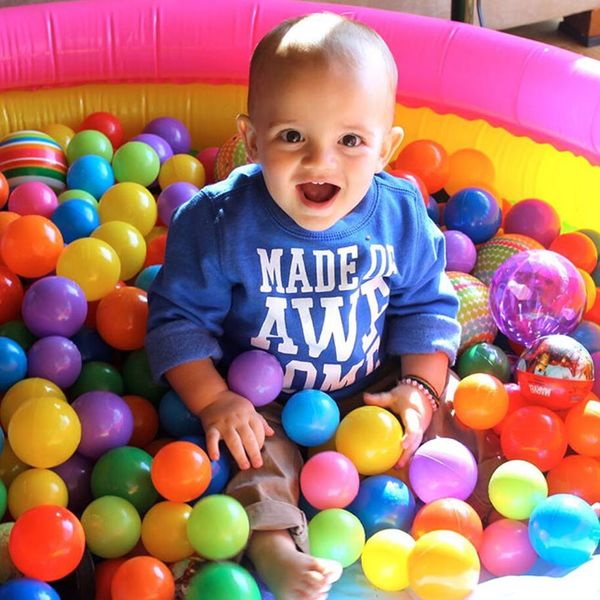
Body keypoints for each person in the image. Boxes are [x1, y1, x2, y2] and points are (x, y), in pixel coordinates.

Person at [147, 12, 463, 600]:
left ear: (386, 148)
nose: (321, 161)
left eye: (351, 141)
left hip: (374, 390)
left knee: (446, 424)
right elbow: (176, 322)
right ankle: (273, 547)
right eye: (292, 136)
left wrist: (418, 389)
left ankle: (448, 530)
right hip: (263, 404)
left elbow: (426, 309)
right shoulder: (218, 223)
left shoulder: (399, 215)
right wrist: (215, 399)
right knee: (252, 458)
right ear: (252, 139)